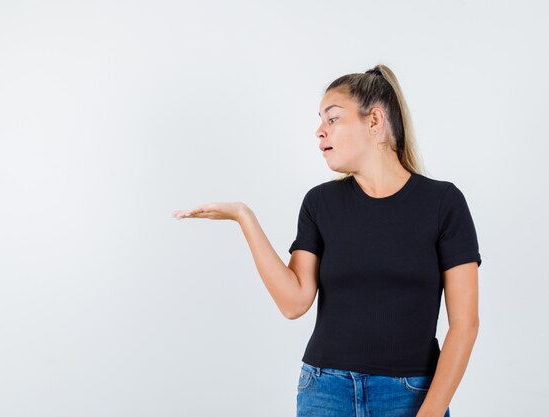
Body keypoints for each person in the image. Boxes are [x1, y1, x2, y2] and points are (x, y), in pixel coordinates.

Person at [172, 64, 482, 417]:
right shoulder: (320, 203)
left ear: (374, 121)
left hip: (410, 394)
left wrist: (428, 413)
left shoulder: (443, 203)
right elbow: (293, 303)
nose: (320, 132)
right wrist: (245, 217)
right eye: (320, 120)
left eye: (332, 119)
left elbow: (465, 324)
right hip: (325, 390)